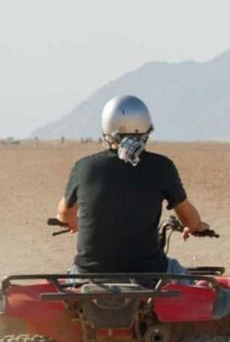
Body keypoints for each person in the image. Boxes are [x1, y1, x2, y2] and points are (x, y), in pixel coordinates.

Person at [56, 95, 209, 275]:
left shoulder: (84, 167)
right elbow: (189, 219)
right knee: (192, 283)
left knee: (66, 290)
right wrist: (196, 226)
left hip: (89, 273)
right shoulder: (161, 167)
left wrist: (74, 222)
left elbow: (64, 214)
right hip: (149, 273)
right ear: (146, 129)